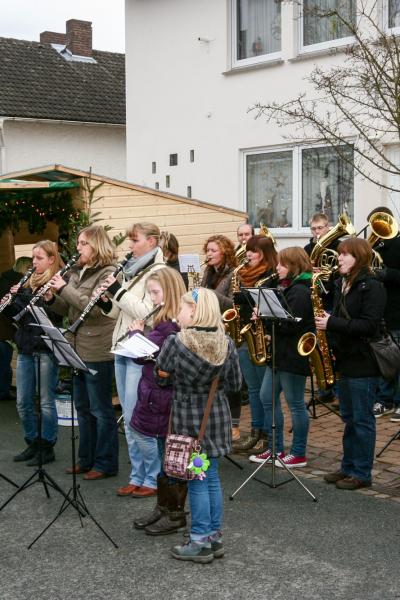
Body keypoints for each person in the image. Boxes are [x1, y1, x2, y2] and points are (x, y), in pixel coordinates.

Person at [154, 287, 241, 563]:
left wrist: (165, 374)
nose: (178, 313)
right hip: (214, 418)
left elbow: (162, 377)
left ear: (194, 311)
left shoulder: (176, 343)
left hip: (189, 422)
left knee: (198, 481)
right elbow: (237, 384)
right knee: (211, 476)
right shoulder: (226, 343)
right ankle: (214, 536)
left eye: (182, 308)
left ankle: (200, 539)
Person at [98, 222, 166, 492]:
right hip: (123, 346)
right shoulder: (132, 270)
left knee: (138, 418)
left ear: (151, 241)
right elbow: (120, 312)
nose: (130, 246)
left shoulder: (159, 272)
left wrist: (117, 291)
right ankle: (136, 476)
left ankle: (152, 477)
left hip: (141, 350)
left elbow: (146, 311)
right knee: (127, 417)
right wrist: (106, 301)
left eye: (134, 240)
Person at [48, 225, 119, 479]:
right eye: (78, 243)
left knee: (101, 409)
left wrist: (64, 287)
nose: (78, 248)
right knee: (82, 408)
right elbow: (69, 309)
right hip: (77, 348)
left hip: (97, 347)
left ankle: (105, 463)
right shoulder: (80, 271)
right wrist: (51, 298)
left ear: (97, 245)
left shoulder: (109, 273)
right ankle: (86, 459)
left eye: (83, 243)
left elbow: (95, 310)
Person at [316, 237, 387, 490]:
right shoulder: (342, 283)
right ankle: (348, 467)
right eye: (340, 254)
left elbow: (368, 325)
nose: (340, 258)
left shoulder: (372, 286)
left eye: (346, 254)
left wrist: (331, 323)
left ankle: (362, 473)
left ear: (359, 257)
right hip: (345, 359)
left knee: (362, 419)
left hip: (364, 362)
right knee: (349, 418)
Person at [120, 267, 186, 500]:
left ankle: (160, 491)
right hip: (154, 391)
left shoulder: (169, 325)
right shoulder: (164, 322)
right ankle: (158, 493)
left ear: (169, 292)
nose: (153, 298)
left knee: (150, 437)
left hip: (159, 394)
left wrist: (135, 335)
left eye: (156, 293)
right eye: (151, 293)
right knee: (147, 435)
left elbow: (143, 354)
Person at [253, 247, 314, 468]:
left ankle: (298, 453)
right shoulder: (287, 287)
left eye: (281, 264)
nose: (277, 268)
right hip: (279, 355)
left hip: (293, 356)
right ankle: (275, 448)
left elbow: (290, 324)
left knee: (296, 404)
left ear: (293, 266)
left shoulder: (300, 291)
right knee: (266, 397)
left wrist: (266, 317)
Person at [3, 242, 63, 465]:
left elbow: (55, 318)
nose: (34, 262)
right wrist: (10, 303)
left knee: (46, 402)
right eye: (33, 257)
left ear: (51, 260)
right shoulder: (28, 283)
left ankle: (47, 446)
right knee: (23, 401)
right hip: (26, 347)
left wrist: (40, 299)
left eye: (39, 258)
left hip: (45, 349)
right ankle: (32, 442)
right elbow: (20, 317)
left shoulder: (56, 284)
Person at [231, 235, 278, 453]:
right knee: (252, 389)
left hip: (261, 337)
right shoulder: (242, 274)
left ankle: (268, 436)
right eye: (247, 250)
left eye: (254, 251)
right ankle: (255, 432)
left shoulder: (272, 275)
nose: (248, 254)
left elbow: (270, 304)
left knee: (263, 392)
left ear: (265, 254)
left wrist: (240, 297)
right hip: (244, 335)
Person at [366, 207, 400, 421]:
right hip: (378, 311)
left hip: (397, 309)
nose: (376, 229)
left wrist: (385, 273)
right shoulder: (373, 246)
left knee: (398, 357)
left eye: (378, 224)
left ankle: (398, 401)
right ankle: (384, 399)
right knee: (382, 357)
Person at [0, 256, 33, 402]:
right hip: (5, 329)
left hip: (3, 328)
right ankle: (3, 392)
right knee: (4, 363)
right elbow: (11, 310)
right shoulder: (16, 283)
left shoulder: (4, 278)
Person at [201, 234, 237, 312]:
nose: (208, 254)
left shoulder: (234, 273)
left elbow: (233, 304)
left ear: (224, 253)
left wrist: (210, 294)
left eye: (213, 251)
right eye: (207, 250)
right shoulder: (208, 270)